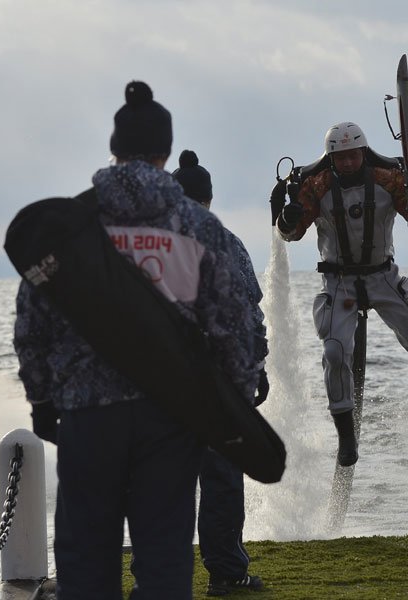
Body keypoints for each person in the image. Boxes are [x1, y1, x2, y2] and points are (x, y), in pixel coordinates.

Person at [13, 81, 259, 600]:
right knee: (165, 561)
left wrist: (42, 402)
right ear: (165, 155)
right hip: (171, 419)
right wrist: (230, 407)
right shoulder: (200, 228)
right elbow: (234, 331)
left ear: (115, 149)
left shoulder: (70, 225)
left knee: (85, 564)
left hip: (86, 417)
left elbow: (32, 325)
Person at [274, 122, 408, 467]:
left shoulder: (390, 179)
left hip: (382, 276)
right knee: (334, 350)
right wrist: (287, 218)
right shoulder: (316, 186)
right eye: (340, 157)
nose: (347, 163)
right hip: (339, 282)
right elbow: (290, 234)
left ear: (363, 152)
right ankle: (346, 436)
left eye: (353, 155)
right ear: (330, 157)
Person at [172, 149, 267, 596]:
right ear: (208, 199)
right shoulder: (226, 242)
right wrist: (258, 367)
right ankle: (227, 573)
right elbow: (249, 313)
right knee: (222, 481)